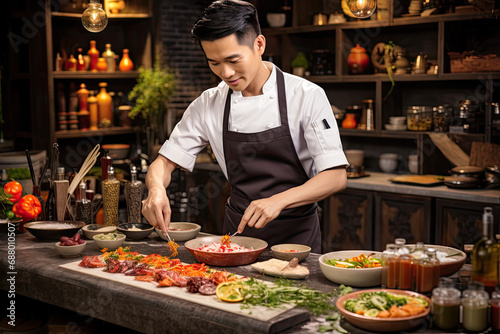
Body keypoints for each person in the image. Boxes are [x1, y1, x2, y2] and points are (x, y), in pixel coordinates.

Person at [142, 0, 347, 253]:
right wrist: (156, 189)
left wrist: (278, 201)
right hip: (239, 235)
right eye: (214, 63)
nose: (226, 72)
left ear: (259, 44)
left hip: (297, 237)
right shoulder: (209, 103)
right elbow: (164, 162)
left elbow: (336, 176)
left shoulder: (305, 95)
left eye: (233, 60)